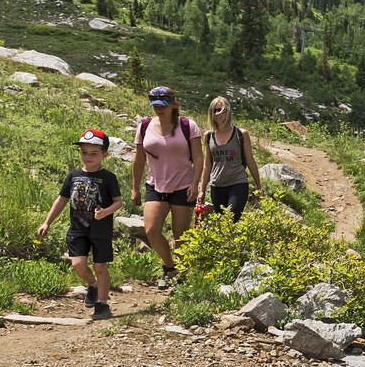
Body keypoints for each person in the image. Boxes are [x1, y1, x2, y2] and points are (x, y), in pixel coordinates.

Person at [38, 129, 123, 320]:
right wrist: (47, 222)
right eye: (84, 152)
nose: (88, 157)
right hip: (78, 229)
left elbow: (118, 202)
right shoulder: (73, 176)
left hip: (101, 230)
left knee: (101, 266)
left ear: (104, 154)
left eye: (93, 153)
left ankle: (102, 304)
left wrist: (106, 212)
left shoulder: (109, 178)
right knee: (77, 263)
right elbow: (61, 200)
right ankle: (92, 285)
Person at [131, 85, 201, 289]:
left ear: (173, 105)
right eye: (155, 106)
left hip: (183, 185)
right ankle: (170, 267)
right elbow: (139, 159)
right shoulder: (144, 126)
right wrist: (135, 187)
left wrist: (195, 184)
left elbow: (198, 157)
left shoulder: (188, 126)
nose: (158, 109)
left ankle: (182, 277)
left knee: (181, 236)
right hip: (155, 185)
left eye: (163, 105)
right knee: (151, 229)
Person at [199, 95, 261, 219]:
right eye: (214, 110)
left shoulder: (240, 134)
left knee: (232, 218)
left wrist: (258, 185)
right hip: (217, 185)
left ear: (228, 111)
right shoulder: (208, 136)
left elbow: (250, 161)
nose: (218, 114)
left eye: (221, 110)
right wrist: (202, 190)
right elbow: (207, 165)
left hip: (237, 182)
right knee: (222, 223)